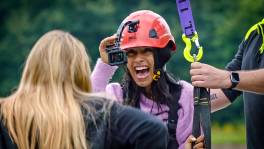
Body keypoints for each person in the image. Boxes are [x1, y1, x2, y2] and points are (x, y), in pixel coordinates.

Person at [0, 30, 172, 149]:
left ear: (31, 68)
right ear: (80, 70)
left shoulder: (5, 113)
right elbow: (153, 129)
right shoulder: (100, 113)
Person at [91, 10, 204, 149]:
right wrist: (106, 64)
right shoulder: (116, 95)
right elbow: (88, 111)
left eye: (146, 51)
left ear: (160, 56)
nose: (138, 59)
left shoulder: (184, 96)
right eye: (131, 53)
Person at [190, 18, 264, 149]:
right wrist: (174, 105)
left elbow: (229, 80)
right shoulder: (255, 33)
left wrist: (227, 78)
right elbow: (227, 90)